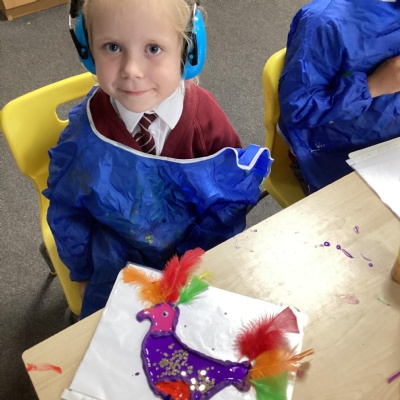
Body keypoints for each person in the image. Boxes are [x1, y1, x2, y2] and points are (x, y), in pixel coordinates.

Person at [44, 0, 272, 318]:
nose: (131, 70)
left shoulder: (205, 118)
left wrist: (197, 260)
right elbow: (69, 211)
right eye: (112, 47)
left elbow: (228, 196)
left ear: (187, 51)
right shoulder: (84, 134)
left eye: (153, 48)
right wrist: (82, 272)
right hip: (117, 255)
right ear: (87, 51)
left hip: (195, 250)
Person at [278, 0, 400, 194]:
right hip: (333, 150)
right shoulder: (325, 23)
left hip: (389, 138)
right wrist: (372, 86)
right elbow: (299, 109)